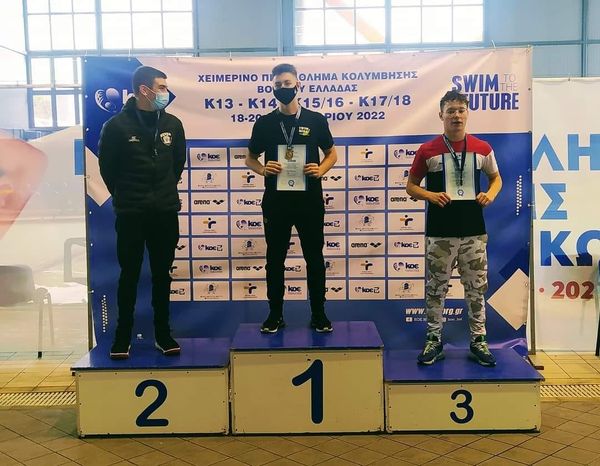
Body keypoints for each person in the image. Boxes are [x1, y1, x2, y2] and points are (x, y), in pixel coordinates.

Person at [406, 90, 502, 367]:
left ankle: (479, 341)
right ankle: (433, 340)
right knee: (436, 289)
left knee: (476, 290)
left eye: (461, 110)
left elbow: (496, 179)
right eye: (451, 111)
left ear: (467, 113)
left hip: (474, 232)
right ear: (441, 115)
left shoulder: (482, 148)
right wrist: (429, 195)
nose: (456, 116)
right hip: (440, 233)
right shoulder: (428, 150)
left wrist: (490, 195)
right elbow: (410, 186)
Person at [99, 66, 186, 359]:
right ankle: (123, 336)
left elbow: (177, 165)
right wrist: (130, 196)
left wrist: (161, 193)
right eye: (161, 87)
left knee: (162, 275)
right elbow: (108, 170)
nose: (166, 93)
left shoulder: (173, 124)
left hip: (165, 213)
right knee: (129, 275)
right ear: (144, 90)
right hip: (131, 214)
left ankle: (163, 334)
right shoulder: (116, 126)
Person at [246, 63, 338, 333]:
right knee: (275, 260)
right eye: (277, 85)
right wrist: (263, 169)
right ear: (272, 88)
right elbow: (250, 158)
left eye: (287, 83)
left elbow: (332, 153)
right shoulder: (264, 123)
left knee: (314, 258)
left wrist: (321, 169)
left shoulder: (316, 120)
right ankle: (275, 315)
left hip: (309, 201)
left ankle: (319, 314)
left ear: (298, 85)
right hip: (276, 202)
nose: (282, 88)